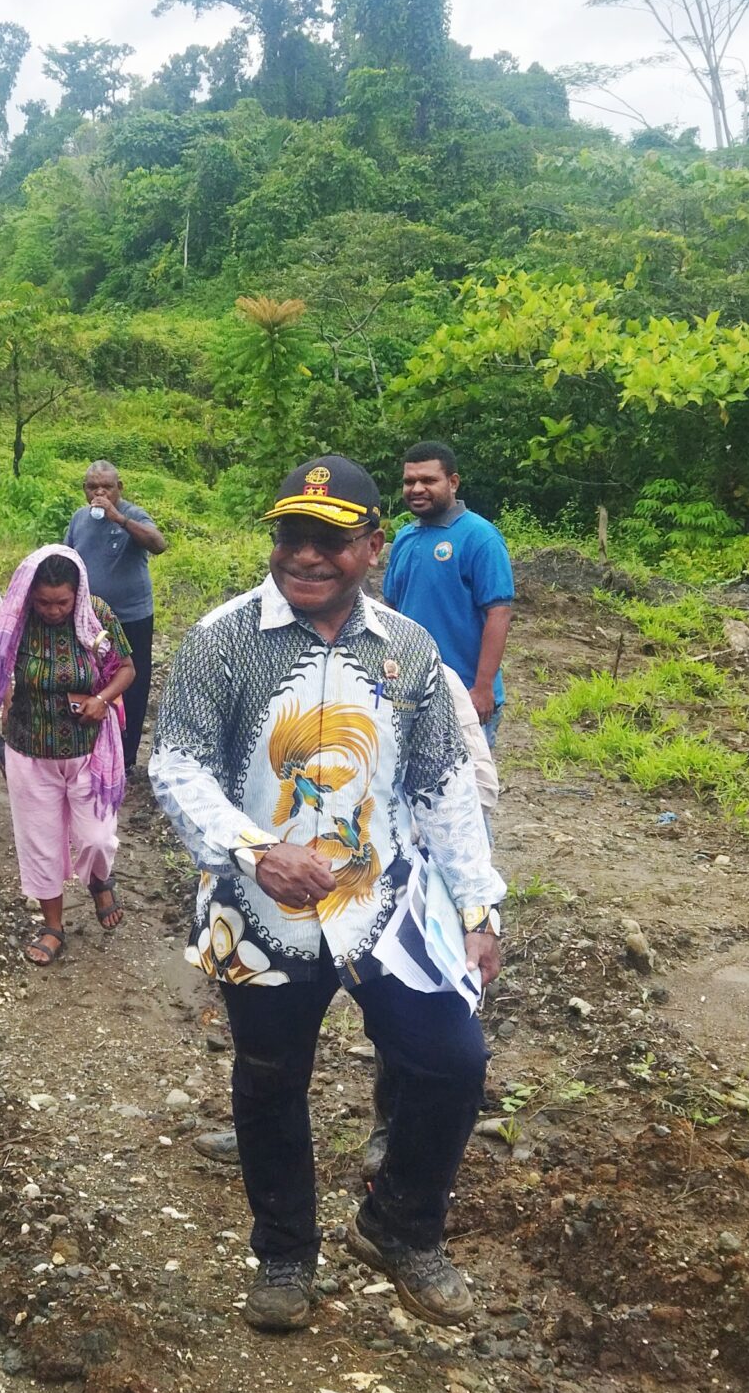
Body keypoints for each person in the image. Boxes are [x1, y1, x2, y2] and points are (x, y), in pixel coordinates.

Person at [150, 454, 503, 1334]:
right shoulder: (223, 640)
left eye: (331, 541)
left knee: (451, 1062)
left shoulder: (410, 652)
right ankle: (283, 1251)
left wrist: (477, 905)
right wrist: (256, 848)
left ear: (373, 548)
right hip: (261, 912)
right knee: (271, 1080)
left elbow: (442, 784)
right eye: (292, 537)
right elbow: (179, 764)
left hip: (384, 901)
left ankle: (399, 1226)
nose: (306, 556)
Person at [0, 550, 132, 965]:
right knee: (41, 843)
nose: (53, 610)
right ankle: (53, 926)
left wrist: (103, 698)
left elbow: (126, 668)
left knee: (97, 838)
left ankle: (100, 880)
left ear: (76, 594)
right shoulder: (16, 618)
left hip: (89, 750)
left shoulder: (95, 613)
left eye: (62, 602)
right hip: (30, 749)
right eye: (45, 602)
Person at [385, 442, 515, 742]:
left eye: (428, 480)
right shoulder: (404, 538)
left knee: (469, 784)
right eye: (409, 481)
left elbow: (499, 613)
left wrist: (482, 688)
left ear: (452, 482)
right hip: (411, 690)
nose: (417, 488)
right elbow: (391, 613)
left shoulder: (480, 537)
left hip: (465, 695)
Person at [64, 460, 168, 766]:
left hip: (132, 616)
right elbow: (68, 558)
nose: (99, 492)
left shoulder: (132, 515)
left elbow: (158, 544)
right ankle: (91, 748)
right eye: (92, 487)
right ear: (84, 489)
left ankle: (126, 758)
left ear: (119, 488)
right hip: (90, 618)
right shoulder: (79, 518)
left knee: (132, 683)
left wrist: (119, 519)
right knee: (89, 680)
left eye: (106, 487)